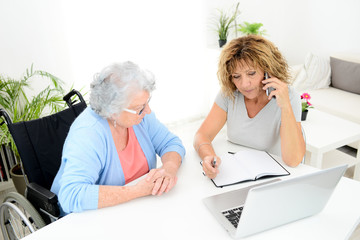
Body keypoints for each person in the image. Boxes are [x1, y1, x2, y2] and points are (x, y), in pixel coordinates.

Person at [51, 61, 185, 215]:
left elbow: (171, 144)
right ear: (112, 110)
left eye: (146, 103)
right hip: (91, 218)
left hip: (136, 209)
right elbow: (72, 195)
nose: (147, 110)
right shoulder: (88, 133)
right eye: (140, 108)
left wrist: (169, 169)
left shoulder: (140, 117)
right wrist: (136, 191)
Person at [194, 35, 305, 179]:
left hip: (273, 175)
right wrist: (208, 156)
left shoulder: (288, 96)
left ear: (268, 70)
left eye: (251, 73)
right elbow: (201, 135)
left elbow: (294, 160)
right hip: (237, 172)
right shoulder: (229, 94)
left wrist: (285, 106)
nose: (244, 84)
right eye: (236, 76)